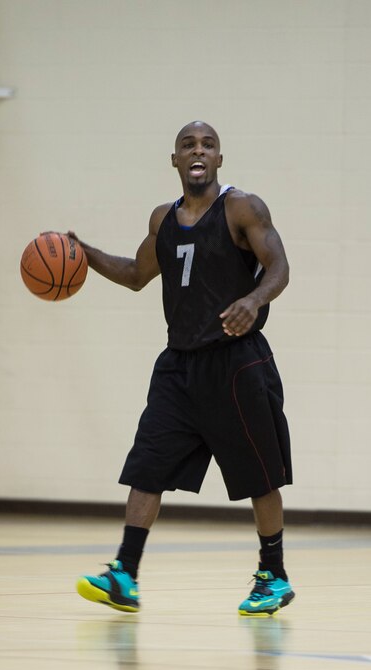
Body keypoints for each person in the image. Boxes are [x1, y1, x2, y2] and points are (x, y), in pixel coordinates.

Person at [72, 121, 294, 617]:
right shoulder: (163, 220)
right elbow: (135, 275)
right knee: (148, 464)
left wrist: (254, 299)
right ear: (174, 160)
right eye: (188, 145)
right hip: (179, 366)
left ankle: (273, 575)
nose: (198, 151)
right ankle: (124, 574)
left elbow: (279, 266)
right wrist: (85, 254)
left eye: (208, 145)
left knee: (259, 475)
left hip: (236, 361)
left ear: (219, 160)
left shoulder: (242, 208)